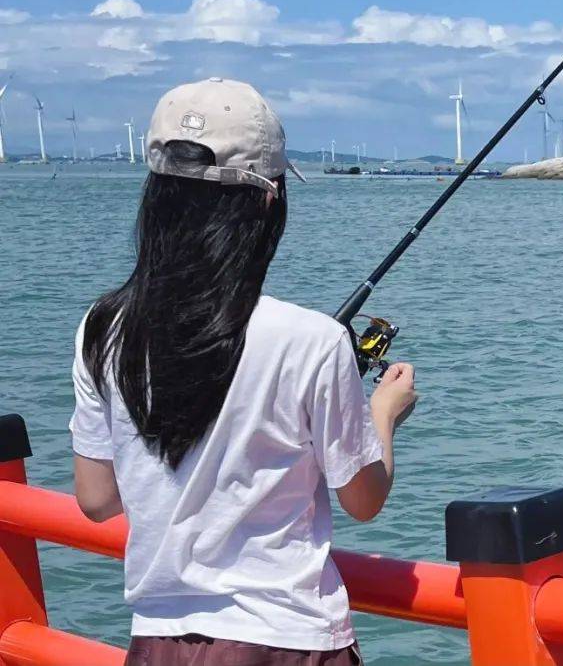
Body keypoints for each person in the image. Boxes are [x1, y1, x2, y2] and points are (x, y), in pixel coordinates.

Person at [69, 78, 417, 666]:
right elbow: (364, 498)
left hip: (157, 645)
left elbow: (97, 499)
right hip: (289, 642)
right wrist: (382, 412)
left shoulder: (101, 328)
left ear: (157, 193)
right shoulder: (313, 340)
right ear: (266, 201)